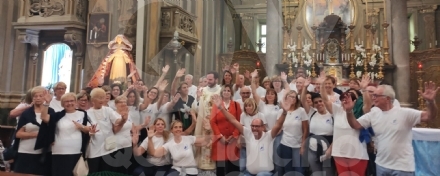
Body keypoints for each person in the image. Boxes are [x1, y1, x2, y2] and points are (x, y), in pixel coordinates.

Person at [344, 83, 438, 175]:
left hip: (402, 167)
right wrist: (349, 111)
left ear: (387, 98)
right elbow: (355, 125)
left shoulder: (404, 113)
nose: (373, 98)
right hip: (381, 165)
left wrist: (430, 102)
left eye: (376, 95)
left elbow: (429, 116)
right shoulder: (374, 114)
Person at [212, 94, 290, 176]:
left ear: (263, 127)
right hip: (249, 173)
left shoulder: (268, 136)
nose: (254, 128)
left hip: (265, 173)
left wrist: (284, 112)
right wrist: (221, 108)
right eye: (252, 126)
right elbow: (233, 120)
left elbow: (278, 125)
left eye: (257, 126)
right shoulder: (248, 135)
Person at [317, 72, 369, 176]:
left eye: (349, 99)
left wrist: (364, 89)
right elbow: (325, 100)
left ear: (355, 101)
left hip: (357, 155)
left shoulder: (360, 113)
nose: (345, 101)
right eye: (343, 99)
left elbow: (368, 104)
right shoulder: (338, 110)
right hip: (339, 154)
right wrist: (322, 85)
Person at [36, 92, 91, 176]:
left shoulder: (82, 113)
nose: (69, 103)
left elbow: (88, 130)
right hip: (60, 152)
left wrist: (81, 127)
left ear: (76, 102)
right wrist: (47, 103)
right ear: (62, 104)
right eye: (66, 101)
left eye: (72, 101)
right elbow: (44, 117)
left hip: (77, 151)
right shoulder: (57, 116)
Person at [144, 120, 210, 176]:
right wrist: (150, 138)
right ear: (172, 130)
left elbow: (205, 142)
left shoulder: (188, 138)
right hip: (177, 170)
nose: (178, 129)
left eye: (180, 127)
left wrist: (208, 131)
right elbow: (154, 153)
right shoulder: (169, 144)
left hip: (191, 170)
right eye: (175, 127)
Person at [13, 86, 54, 175]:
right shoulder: (27, 113)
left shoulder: (51, 111)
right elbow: (18, 134)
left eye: (40, 96)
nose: (38, 98)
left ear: (45, 97)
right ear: (32, 98)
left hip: (43, 153)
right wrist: (37, 134)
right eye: (35, 96)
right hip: (26, 151)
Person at [86, 88, 127, 173]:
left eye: (103, 97)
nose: (102, 100)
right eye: (99, 97)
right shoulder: (87, 113)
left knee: (107, 172)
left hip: (109, 147)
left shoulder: (107, 110)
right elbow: (87, 129)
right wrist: (91, 132)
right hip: (94, 148)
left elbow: (117, 121)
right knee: (94, 172)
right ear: (93, 99)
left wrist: (123, 119)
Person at [193, 71, 222, 174]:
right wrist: (198, 98)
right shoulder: (202, 90)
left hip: (216, 125)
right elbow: (196, 109)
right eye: (207, 79)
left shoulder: (221, 90)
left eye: (210, 80)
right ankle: (203, 168)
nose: (208, 82)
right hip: (203, 125)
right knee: (204, 145)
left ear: (216, 80)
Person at [210, 84, 241, 175]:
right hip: (220, 141)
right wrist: (220, 136)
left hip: (233, 140)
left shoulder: (236, 105)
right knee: (220, 169)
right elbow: (212, 121)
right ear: (221, 93)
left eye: (228, 90)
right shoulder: (216, 105)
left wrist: (234, 135)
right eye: (224, 90)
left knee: (233, 168)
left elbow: (239, 121)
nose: (226, 92)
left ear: (231, 92)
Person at [277, 90, 309, 176]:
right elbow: (278, 127)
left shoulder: (301, 111)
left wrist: (303, 145)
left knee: (299, 171)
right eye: (290, 96)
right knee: (288, 170)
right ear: (286, 98)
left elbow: (306, 130)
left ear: (296, 99)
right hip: (285, 144)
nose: (292, 98)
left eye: (294, 97)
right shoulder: (281, 111)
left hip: (297, 145)